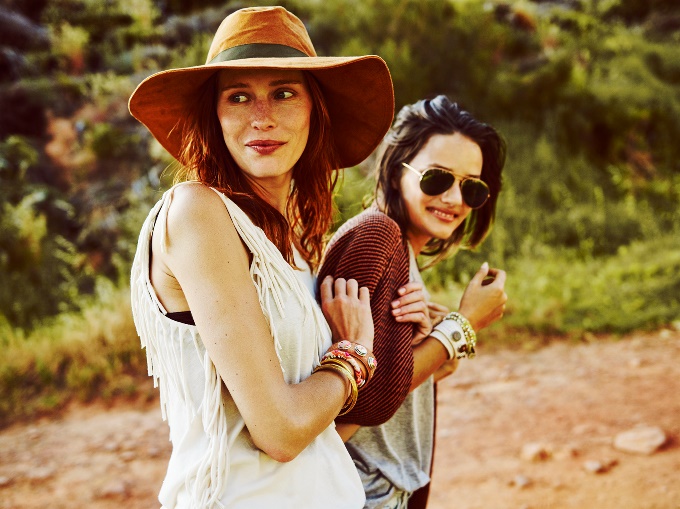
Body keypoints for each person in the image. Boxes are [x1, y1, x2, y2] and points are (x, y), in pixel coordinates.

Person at [127, 6, 395, 509]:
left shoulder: (292, 243)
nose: (262, 117)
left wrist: (432, 333)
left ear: (315, 109)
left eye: (283, 92)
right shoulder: (197, 212)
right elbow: (282, 431)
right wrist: (355, 353)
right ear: (214, 115)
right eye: (238, 96)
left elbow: (317, 427)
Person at [317, 95, 508, 509]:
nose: (454, 199)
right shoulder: (377, 238)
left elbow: (381, 379)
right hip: (362, 489)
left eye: (472, 188)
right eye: (437, 178)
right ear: (395, 170)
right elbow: (356, 404)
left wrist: (431, 353)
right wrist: (460, 328)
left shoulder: (399, 252)